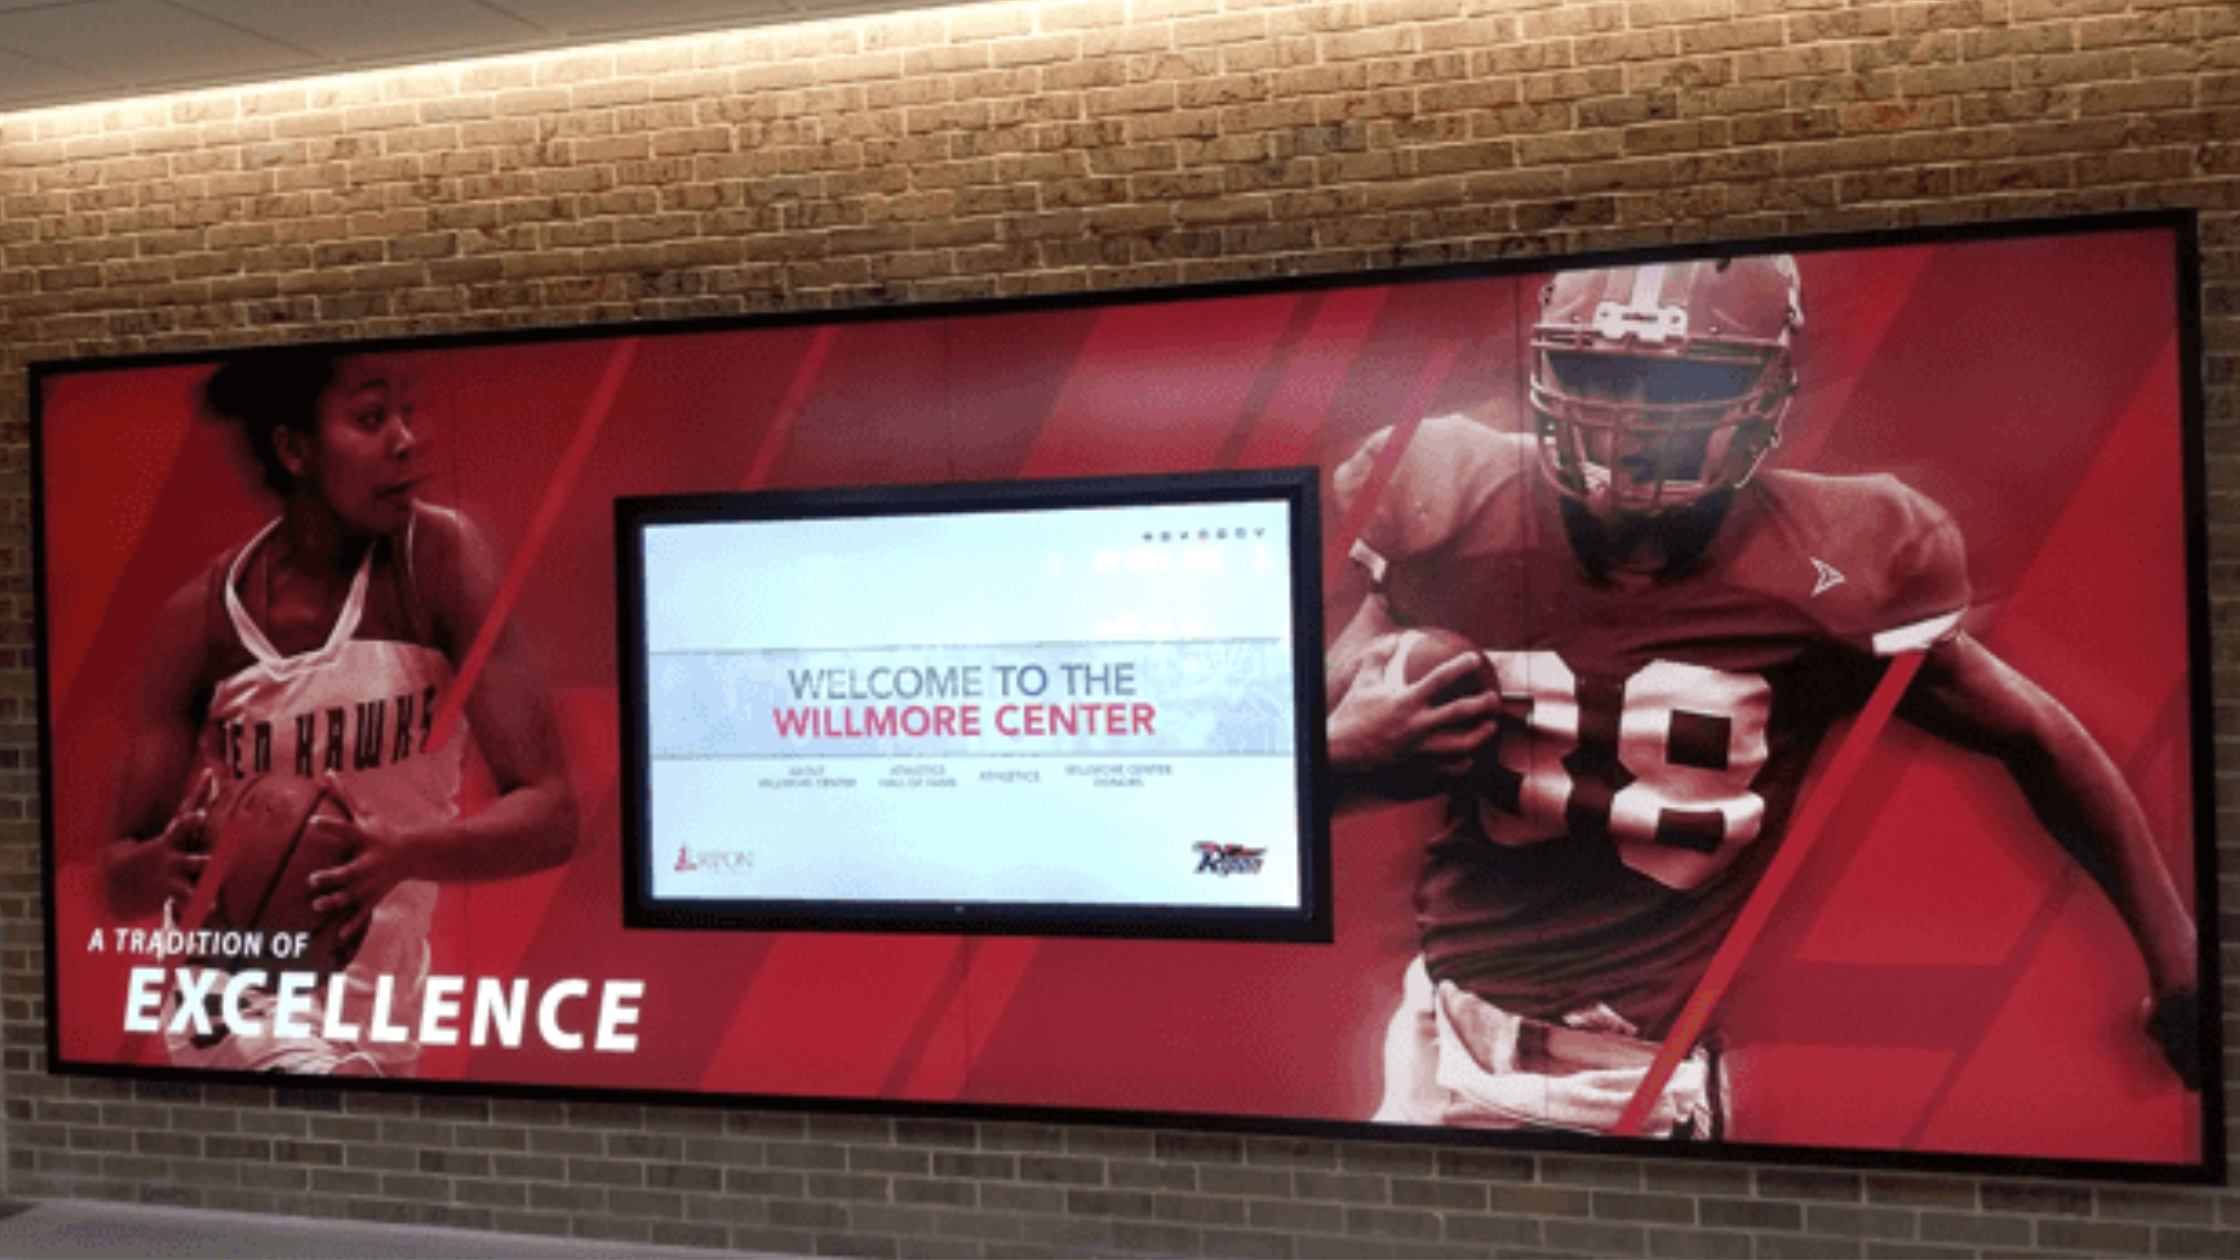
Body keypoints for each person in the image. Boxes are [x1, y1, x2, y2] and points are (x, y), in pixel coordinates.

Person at [1325, 256, 2200, 1137]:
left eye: (1682, 383)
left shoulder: (1840, 562)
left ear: (1767, 392)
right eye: (1602, 375)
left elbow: (2037, 737)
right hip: (1433, 1038)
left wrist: (2179, 959)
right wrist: (1338, 753)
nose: (1631, 423)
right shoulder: (1449, 494)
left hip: (1615, 1086)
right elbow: (1294, 755)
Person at [100, 347, 579, 1076]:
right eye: (369, 417)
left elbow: (551, 815)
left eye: (406, 412)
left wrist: (405, 854)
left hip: (380, 1009)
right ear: (295, 449)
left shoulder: (440, 562)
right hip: (234, 1000)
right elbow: (119, 878)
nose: (405, 439)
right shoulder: (200, 621)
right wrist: (169, 866)